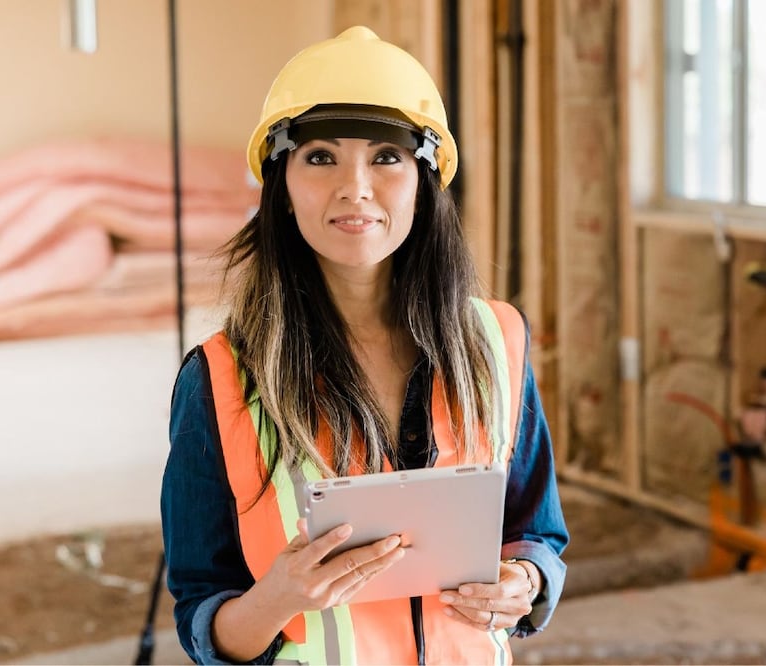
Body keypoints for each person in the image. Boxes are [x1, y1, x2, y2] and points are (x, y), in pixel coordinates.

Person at [160, 25, 569, 665]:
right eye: (320, 156)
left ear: (424, 182)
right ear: (282, 186)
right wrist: (280, 596)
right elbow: (204, 623)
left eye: (386, 156)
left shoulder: (495, 341)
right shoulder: (221, 377)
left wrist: (525, 583)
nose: (356, 187)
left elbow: (536, 532)